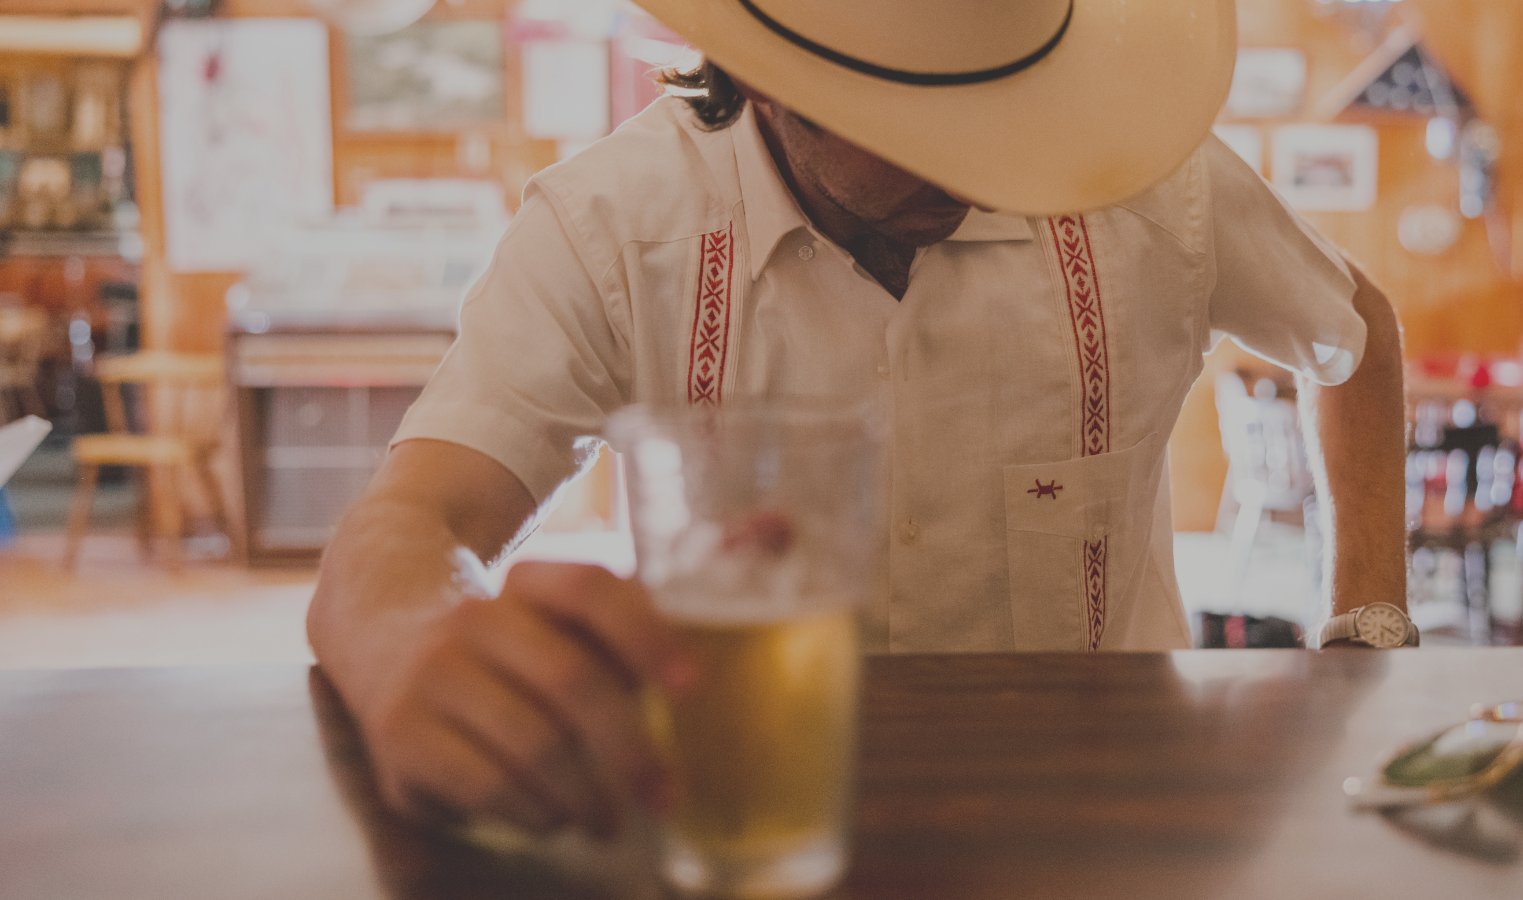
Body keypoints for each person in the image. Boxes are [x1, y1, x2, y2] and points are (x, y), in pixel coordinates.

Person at [308, 0, 1410, 839]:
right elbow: (418, 517)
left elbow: (1355, 328)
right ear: (766, 77)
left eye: (1002, 98)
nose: (987, 156)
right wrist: (409, 641)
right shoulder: (606, 231)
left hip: (1098, 830)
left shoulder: (1151, 191)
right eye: (921, 115)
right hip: (754, 824)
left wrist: (1366, 623)